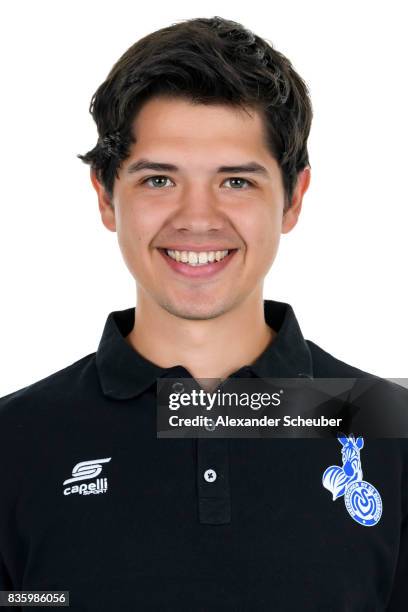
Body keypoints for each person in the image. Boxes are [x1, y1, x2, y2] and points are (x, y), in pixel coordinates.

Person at [0, 16, 406, 611]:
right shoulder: (14, 442)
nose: (197, 218)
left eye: (236, 182)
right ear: (106, 196)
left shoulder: (390, 425)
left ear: (293, 199)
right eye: (159, 179)